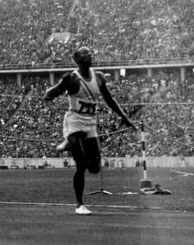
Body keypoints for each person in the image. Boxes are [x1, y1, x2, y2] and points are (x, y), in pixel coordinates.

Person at [43, 46, 137, 215]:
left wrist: (125, 118)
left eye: (90, 53)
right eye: (85, 54)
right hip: (74, 122)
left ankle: (69, 144)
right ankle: (79, 204)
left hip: (90, 124)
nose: (89, 55)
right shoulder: (72, 78)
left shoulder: (99, 77)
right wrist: (60, 86)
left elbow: (109, 100)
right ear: (77, 60)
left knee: (94, 167)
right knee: (80, 164)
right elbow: (48, 96)